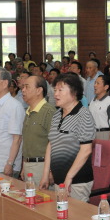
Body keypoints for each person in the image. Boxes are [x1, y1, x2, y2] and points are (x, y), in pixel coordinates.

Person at [41, 73, 95, 201]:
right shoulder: (57, 115)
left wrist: (69, 177)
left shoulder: (84, 115)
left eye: (60, 90)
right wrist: (45, 174)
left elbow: (86, 150)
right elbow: (51, 144)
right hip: (59, 180)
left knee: (75, 214)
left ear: (74, 92)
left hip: (76, 181)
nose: (56, 94)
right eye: (55, 90)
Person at [21, 75, 55, 186]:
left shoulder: (49, 111)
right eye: (23, 87)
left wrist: (50, 170)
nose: (23, 90)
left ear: (39, 90)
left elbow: (54, 142)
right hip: (28, 165)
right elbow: (28, 142)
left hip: (42, 166)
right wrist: (24, 165)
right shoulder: (29, 111)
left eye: (27, 87)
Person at [89, 74, 110, 142]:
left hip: (104, 134)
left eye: (98, 83)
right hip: (92, 134)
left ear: (106, 87)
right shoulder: (92, 101)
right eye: (95, 83)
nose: (95, 85)